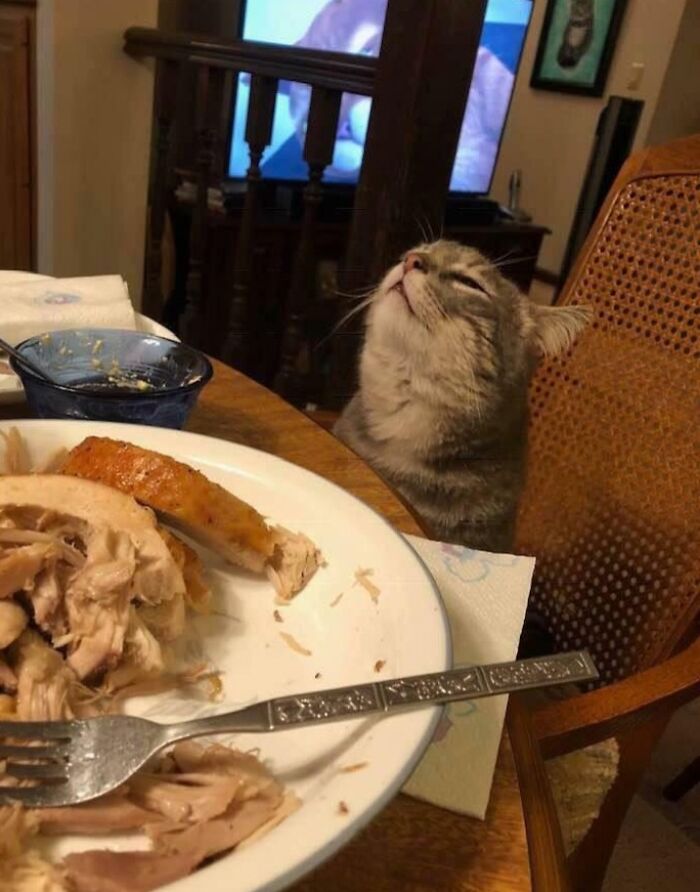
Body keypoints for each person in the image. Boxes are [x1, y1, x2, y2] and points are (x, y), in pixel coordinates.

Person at [261, 0, 514, 193]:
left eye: (368, 56)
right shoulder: (279, 168)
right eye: (310, 84)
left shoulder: (470, 69)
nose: (336, 102)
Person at [557, 0, 596, 68]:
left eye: (565, 53)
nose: (568, 52)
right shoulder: (582, 48)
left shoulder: (566, 41)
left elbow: (568, 28)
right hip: (584, 17)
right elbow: (589, 34)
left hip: (576, 17)